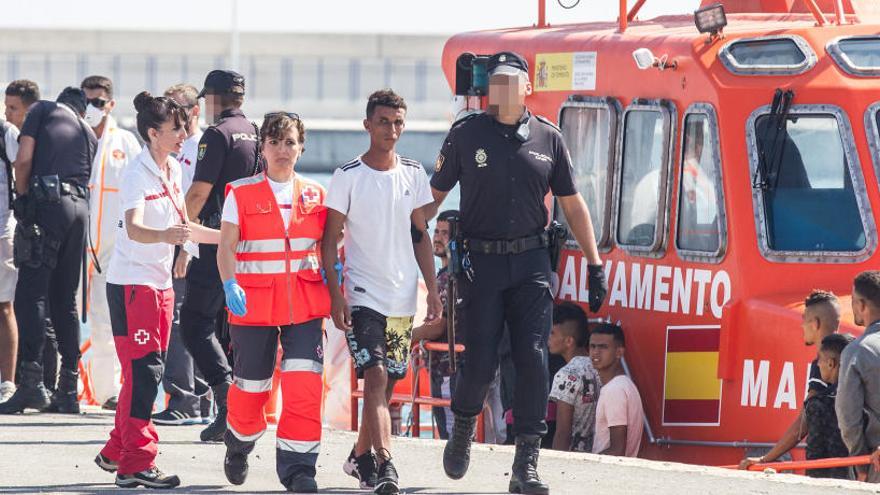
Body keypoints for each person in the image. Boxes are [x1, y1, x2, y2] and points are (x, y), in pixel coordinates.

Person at [430, 51, 607, 494]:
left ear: (528, 88)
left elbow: (571, 203)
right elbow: (430, 199)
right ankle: (463, 425)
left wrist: (595, 263)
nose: (505, 89)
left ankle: (525, 463)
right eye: (498, 82)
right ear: (490, 89)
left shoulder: (549, 138)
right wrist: (407, 242)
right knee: (481, 361)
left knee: (532, 358)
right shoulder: (466, 135)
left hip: (531, 265)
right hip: (481, 265)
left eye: (514, 81)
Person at [94, 91, 218, 489]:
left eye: (184, 127)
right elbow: (134, 228)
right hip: (134, 286)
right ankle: (137, 461)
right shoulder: (135, 173)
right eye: (174, 129)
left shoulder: (173, 172)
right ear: (152, 133)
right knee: (146, 373)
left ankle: (117, 451)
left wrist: (232, 238)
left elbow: (184, 227)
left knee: (141, 373)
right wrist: (167, 235)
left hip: (161, 283)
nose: (183, 135)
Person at [322, 89, 441, 495]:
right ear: (368, 125)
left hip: (403, 298)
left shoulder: (413, 172)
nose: (392, 130)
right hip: (361, 295)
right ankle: (387, 463)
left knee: (389, 381)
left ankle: (359, 457)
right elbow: (328, 240)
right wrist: (337, 296)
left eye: (398, 122)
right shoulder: (347, 175)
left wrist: (435, 292)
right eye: (384, 122)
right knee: (373, 376)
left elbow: (420, 234)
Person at [218, 112, 328, 493]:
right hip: (254, 305)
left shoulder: (316, 194)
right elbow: (226, 246)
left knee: (304, 384)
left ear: (301, 147)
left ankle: (299, 468)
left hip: (305, 305)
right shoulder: (241, 192)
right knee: (251, 388)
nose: (283, 149)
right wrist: (229, 283)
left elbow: (330, 247)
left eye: (290, 142)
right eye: (275, 141)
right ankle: (239, 442)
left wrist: (340, 283)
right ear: (262, 147)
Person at [0, 87, 97, 415]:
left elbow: (23, 158)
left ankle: (31, 384)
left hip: (48, 205)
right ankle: (68, 390)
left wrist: (23, 200)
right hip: (79, 211)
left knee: (31, 294)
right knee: (64, 299)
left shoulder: (43, 110)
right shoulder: (88, 134)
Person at [181, 69, 260, 442]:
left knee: (195, 323)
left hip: (215, 241)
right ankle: (239, 411)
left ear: (213, 99)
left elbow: (199, 192)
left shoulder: (217, 135)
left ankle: (228, 403)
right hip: (249, 243)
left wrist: (178, 231)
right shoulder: (256, 132)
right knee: (231, 331)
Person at [80, 75, 141, 411]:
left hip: (112, 248)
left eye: (99, 102)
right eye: (87, 101)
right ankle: (62, 384)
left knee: (108, 321)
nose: (92, 108)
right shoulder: (73, 137)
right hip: (76, 246)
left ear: (111, 105)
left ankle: (108, 392)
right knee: (63, 317)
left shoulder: (125, 143)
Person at [152, 83, 210, 426]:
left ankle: (184, 399)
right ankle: (198, 398)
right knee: (192, 322)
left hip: (188, 243)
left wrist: (185, 250)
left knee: (178, 323)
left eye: (179, 108)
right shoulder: (179, 148)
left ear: (195, 110)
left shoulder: (196, 147)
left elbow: (194, 204)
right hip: (184, 240)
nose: (173, 114)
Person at [738, 290, 841, 469]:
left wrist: (765, 459)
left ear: (815, 324)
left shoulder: (823, 364)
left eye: (804, 320)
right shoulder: (851, 352)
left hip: (831, 462)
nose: (801, 326)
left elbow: (803, 423)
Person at [0, 79, 39, 403]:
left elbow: (22, 168)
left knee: (4, 306)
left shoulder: (6, 133)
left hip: (2, 230)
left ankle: (8, 382)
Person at [411, 209, 459, 439]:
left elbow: (440, 325)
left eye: (445, 233)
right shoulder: (451, 274)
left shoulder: (450, 277)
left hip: (449, 370)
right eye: (436, 232)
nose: (438, 238)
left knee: (450, 434)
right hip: (445, 369)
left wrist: (407, 337)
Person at [838, 270, 880, 483]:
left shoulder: (857, 351)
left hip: (875, 462)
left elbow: (848, 416)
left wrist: (859, 461)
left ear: (862, 305)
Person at [548, 302, 600, 453]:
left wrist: (557, 464)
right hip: (596, 452)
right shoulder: (599, 367)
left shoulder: (566, 374)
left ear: (569, 341)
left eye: (552, 333)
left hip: (574, 456)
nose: (548, 337)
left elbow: (563, 432)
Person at [800, 333, 853, 479]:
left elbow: (815, 460)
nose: (818, 364)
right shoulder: (863, 399)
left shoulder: (819, 404)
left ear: (831, 363)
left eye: (820, 359)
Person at [590, 323, 643, 458]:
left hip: (609, 473)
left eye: (603, 347)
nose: (596, 352)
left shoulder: (615, 390)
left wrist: (585, 464)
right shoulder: (623, 384)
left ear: (619, 352)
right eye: (592, 346)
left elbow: (617, 450)